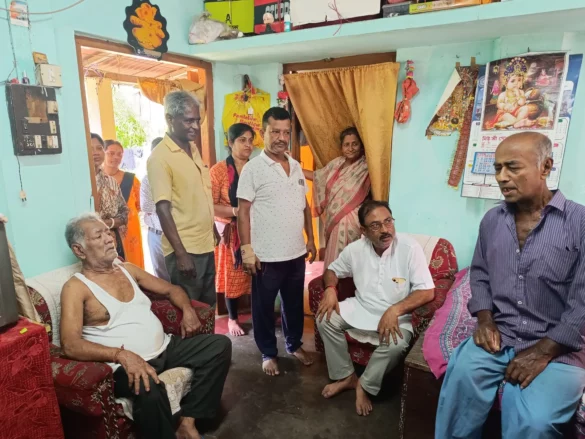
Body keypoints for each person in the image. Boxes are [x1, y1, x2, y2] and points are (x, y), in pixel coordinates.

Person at [435, 132, 585, 439]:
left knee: (535, 423)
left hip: (558, 344)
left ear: (545, 167)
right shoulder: (492, 220)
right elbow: (479, 274)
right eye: (498, 168)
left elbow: (582, 300)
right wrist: (484, 319)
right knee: (457, 392)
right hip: (499, 334)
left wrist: (543, 351)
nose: (502, 177)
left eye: (512, 167)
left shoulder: (579, 222)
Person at [60, 213, 231, 439]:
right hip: (123, 366)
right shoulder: (75, 288)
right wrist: (121, 355)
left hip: (166, 347)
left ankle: (188, 421)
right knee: (148, 387)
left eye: (108, 232)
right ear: (79, 250)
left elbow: (172, 290)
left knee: (219, 346)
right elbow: (70, 344)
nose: (109, 238)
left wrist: (188, 311)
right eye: (99, 236)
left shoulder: (128, 270)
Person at [316, 200, 434, 416]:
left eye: (388, 221)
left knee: (397, 344)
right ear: (363, 231)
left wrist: (394, 310)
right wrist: (330, 289)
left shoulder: (409, 248)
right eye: (375, 225)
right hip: (361, 307)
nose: (385, 230)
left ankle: (365, 385)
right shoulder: (355, 250)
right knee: (325, 318)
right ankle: (346, 376)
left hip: (396, 314)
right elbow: (332, 270)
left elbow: (427, 291)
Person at [237, 107, 317, 376]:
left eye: (286, 132)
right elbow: (243, 212)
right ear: (263, 132)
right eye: (275, 132)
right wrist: (247, 252)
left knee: (293, 304)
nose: (281, 138)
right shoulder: (253, 169)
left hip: (295, 253)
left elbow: (304, 205)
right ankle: (268, 352)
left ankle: (294, 344)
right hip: (266, 256)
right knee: (263, 308)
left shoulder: (295, 166)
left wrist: (311, 239)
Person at [147, 91, 219, 307]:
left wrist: (212, 227)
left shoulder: (192, 148)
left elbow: (198, 195)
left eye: (197, 120)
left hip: (205, 244)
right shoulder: (160, 158)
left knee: (208, 307)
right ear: (170, 119)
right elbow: (163, 209)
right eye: (188, 121)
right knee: (190, 311)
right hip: (186, 250)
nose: (195, 126)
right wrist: (180, 253)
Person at [303, 127, 371, 269]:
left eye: (355, 144)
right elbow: (317, 177)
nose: (351, 148)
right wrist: (293, 167)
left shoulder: (366, 166)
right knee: (334, 261)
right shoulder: (336, 163)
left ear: (361, 146)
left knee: (350, 261)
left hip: (353, 222)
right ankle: (332, 281)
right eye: (347, 145)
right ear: (341, 148)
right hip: (333, 219)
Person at [210, 123, 255, 336]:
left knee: (257, 273)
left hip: (256, 230)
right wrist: (237, 211)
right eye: (242, 140)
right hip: (230, 234)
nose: (248, 145)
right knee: (232, 275)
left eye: (250, 140)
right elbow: (210, 205)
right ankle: (232, 319)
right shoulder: (218, 171)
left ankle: (259, 313)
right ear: (230, 142)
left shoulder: (257, 169)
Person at [103, 140, 145, 269]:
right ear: (103, 153)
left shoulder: (131, 180)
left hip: (130, 232)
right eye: (111, 153)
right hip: (106, 231)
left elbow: (139, 206)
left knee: (134, 267)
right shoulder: (96, 180)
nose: (116, 157)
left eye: (119, 154)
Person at [90, 133, 129, 259]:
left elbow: (124, 213)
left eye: (99, 148)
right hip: (88, 247)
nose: (96, 153)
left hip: (112, 244)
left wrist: (108, 223)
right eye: (90, 149)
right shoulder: (77, 183)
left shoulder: (111, 182)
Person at [140, 137, 170, 281]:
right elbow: (146, 205)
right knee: (162, 277)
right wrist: (168, 206)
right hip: (157, 234)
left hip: (181, 233)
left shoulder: (178, 176)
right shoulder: (147, 179)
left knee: (183, 275)